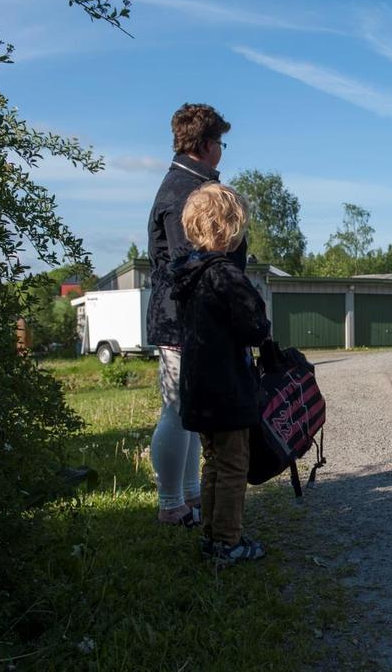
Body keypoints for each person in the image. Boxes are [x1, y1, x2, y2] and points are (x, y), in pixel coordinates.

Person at [146, 103, 246, 526]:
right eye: (220, 142)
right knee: (177, 409)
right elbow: (193, 263)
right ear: (206, 145)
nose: (222, 151)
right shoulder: (184, 192)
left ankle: (188, 495)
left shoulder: (186, 184)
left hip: (186, 316)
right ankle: (171, 504)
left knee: (189, 409)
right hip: (182, 318)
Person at [171, 183, 270, 565]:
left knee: (213, 462)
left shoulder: (190, 275)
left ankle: (213, 535)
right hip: (226, 388)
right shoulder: (225, 275)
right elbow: (253, 326)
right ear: (230, 229)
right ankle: (228, 542)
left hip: (199, 388)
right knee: (233, 466)